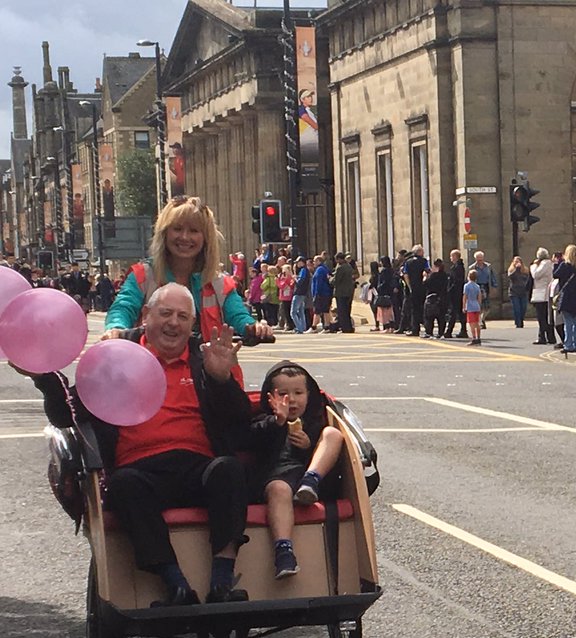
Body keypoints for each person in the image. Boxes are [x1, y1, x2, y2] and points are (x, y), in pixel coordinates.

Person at [27, 284, 252, 607]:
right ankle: (175, 583)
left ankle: (221, 581)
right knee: (124, 485)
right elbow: (68, 414)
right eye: (165, 314)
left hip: (197, 465)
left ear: (192, 324)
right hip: (140, 469)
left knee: (228, 470)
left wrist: (221, 380)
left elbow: (239, 420)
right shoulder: (117, 358)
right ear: (146, 316)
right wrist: (45, 379)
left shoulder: (204, 359)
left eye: (182, 316)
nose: (174, 323)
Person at [103, 196, 269, 343]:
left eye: (194, 231)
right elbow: (123, 307)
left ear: (206, 238)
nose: (184, 237)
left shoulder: (220, 282)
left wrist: (254, 327)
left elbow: (238, 315)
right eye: (177, 229)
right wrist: (116, 328)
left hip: (206, 372)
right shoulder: (143, 275)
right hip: (151, 371)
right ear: (165, 233)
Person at [249, 362, 345, 579]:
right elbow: (253, 443)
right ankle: (284, 551)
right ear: (269, 397)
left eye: (298, 393)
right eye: (282, 393)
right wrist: (277, 422)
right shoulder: (264, 421)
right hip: (276, 478)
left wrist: (307, 447)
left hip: (309, 478)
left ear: (308, 396)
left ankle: (310, 480)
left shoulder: (313, 423)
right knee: (279, 489)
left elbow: (332, 457)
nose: (291, 399)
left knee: (332, 434)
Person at [554, 245, 576, 352]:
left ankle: (568, 345)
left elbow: (555, 275)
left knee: (568, 322)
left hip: (566, 296)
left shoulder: (564, 266)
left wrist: (556, 263)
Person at [402, 245, 429, 336]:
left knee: (414, 309)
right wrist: (424, 282)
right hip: (422, 288)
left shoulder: (408, 262)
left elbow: (405, 275)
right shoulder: (424, 261)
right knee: (423, 308)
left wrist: (409, 287)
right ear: (420, 252)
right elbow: (426, 272)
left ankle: (415, 329)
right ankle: (427, 328)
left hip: (413, 288)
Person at [530, 247, 555, 345]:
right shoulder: (549, 263)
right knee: (546, 317)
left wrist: (533, 266)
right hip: (545, 293)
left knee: (542, 317)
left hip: (542, 294)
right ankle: (548, 337)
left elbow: (536, 275)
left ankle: (543, 337)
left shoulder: (545, 264)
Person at [469, 251, 498, 330]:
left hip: (486, 286)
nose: (480, 261)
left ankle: (482, 319)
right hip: (476, 287)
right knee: (479, 306)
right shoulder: (472, 268)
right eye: (478, 260)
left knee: (487, 307)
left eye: (481, 259)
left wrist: (494, 286)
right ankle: (480, 321)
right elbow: (468, 279)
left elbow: (492, 277)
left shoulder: (488, 266)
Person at [331, 252, 356, 333]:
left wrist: (329, 279)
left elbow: (335, 281)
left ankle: (345, 328)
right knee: (347, 310)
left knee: (342, 311)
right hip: (349, 292)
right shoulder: (348, 266)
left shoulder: (340, 268)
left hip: (341, 292)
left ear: (339, 259)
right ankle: (349, 327)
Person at [424, 259, 450, 338]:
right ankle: (441, 333)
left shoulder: (433, 276)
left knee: (429, 316)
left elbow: (426, 284)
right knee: (441, 317)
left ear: (436, 267)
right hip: (443, 297)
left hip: (432, 297)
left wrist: (425, 276)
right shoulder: (445, 275)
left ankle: (429, 332)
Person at [507, 256, 532, 329]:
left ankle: (521, 320)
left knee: (523, 308)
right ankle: (518, 323)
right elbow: (511, 277)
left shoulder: (525, 270)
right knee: (517, 308)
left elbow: (528, 279)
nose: (517, 263)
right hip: (514, 292)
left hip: (523, 292)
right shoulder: (511, 270)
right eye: (515, 261)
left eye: (518, 261)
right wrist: (517, 269)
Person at [446, 249, 467, 338]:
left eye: (451, 256)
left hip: (456, 293)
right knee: (459, 312)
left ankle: (449, 331)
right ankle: (463, 330)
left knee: (453, 312)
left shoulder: (458, 267)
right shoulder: (457, 266)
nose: (450, 258)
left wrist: (449, 290)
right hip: (457, 292)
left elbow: (456, 281)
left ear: (455, 257)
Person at [374, 256, 397, 332]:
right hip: (390, 292)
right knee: (390, 311)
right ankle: (392, 327)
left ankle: (387, 327)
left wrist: (379, 288)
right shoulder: (391, 270)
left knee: (384, 311)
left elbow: (384, 282)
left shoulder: (384, 271)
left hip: (384, 292)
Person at [463, 269, 484, 345]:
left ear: (468, 276)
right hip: (476, 306)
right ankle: (478, 338)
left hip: (470, 306)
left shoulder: (466, 286)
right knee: (477, 323)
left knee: (472, 323)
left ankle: (474, 338)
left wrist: (464, 306)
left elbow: (465, 297)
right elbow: (479, 297)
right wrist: (479, 305)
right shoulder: (477, 286)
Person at [277, 263, 295, 332]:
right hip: (284, 296)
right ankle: (288, 325)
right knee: (286, 312)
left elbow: (282, 286)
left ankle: (290, 325)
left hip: (287, 296)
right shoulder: (284, 277)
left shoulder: (288, 278)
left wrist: (278, 280)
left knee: (287, 312)